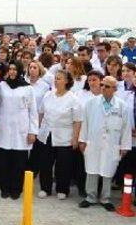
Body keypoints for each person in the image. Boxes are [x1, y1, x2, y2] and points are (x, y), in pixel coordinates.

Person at [79, 76, 132, 211]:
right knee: (92, 169)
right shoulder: (91, 103)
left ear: (114, 89)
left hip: (111, 144)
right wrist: (82, 140)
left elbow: (126, 128)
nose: (102, 88)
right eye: (102, 85)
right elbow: (85, 123)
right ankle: (90, 197)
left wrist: (124, 146)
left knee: (108, 171)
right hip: (94, 141)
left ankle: (105, 198)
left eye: (107, 86)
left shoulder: (122, 106)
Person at [0, 61, 39, 199]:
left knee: (19, 162)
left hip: (22, 130)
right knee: (3, 161)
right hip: (4, 128)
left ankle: (16, 189)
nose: (12, 72)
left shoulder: (28, 88)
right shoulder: (2, 86)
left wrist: (33, 131)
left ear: (19, 71)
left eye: (15, 69)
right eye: (10, 69)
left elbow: (33, 111)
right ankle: (4, 188)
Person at [37, 70, 82, 199]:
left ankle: (62, 189)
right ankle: (45, 188)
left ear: (67, 81)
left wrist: (75, 138)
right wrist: (38, 130)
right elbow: (41, 113)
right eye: (55, 78)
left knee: (63, 164)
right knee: (45, 162)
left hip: (65, 135)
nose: (56, 81)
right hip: (47, 134)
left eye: (59, 78)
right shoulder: (48, 95)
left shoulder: (73, 98)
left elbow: (77, 121)